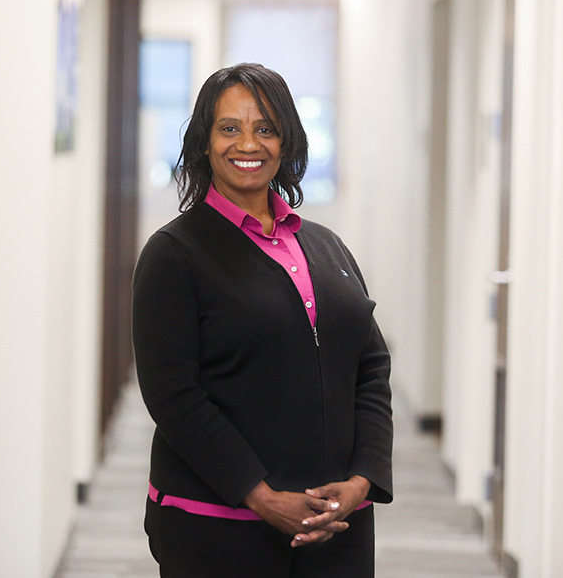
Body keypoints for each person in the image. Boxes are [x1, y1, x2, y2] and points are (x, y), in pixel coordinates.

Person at [132, 63, 393, 578]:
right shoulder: (174, 254)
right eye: (229, 128)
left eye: (265, 128)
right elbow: (173, 395)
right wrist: (262, 496)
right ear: (204, 142)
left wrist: (362, 480)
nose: (247, 144)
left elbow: (371, 366)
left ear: (286, 141)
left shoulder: (325, 244)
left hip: (335, 526)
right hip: (217, 526)